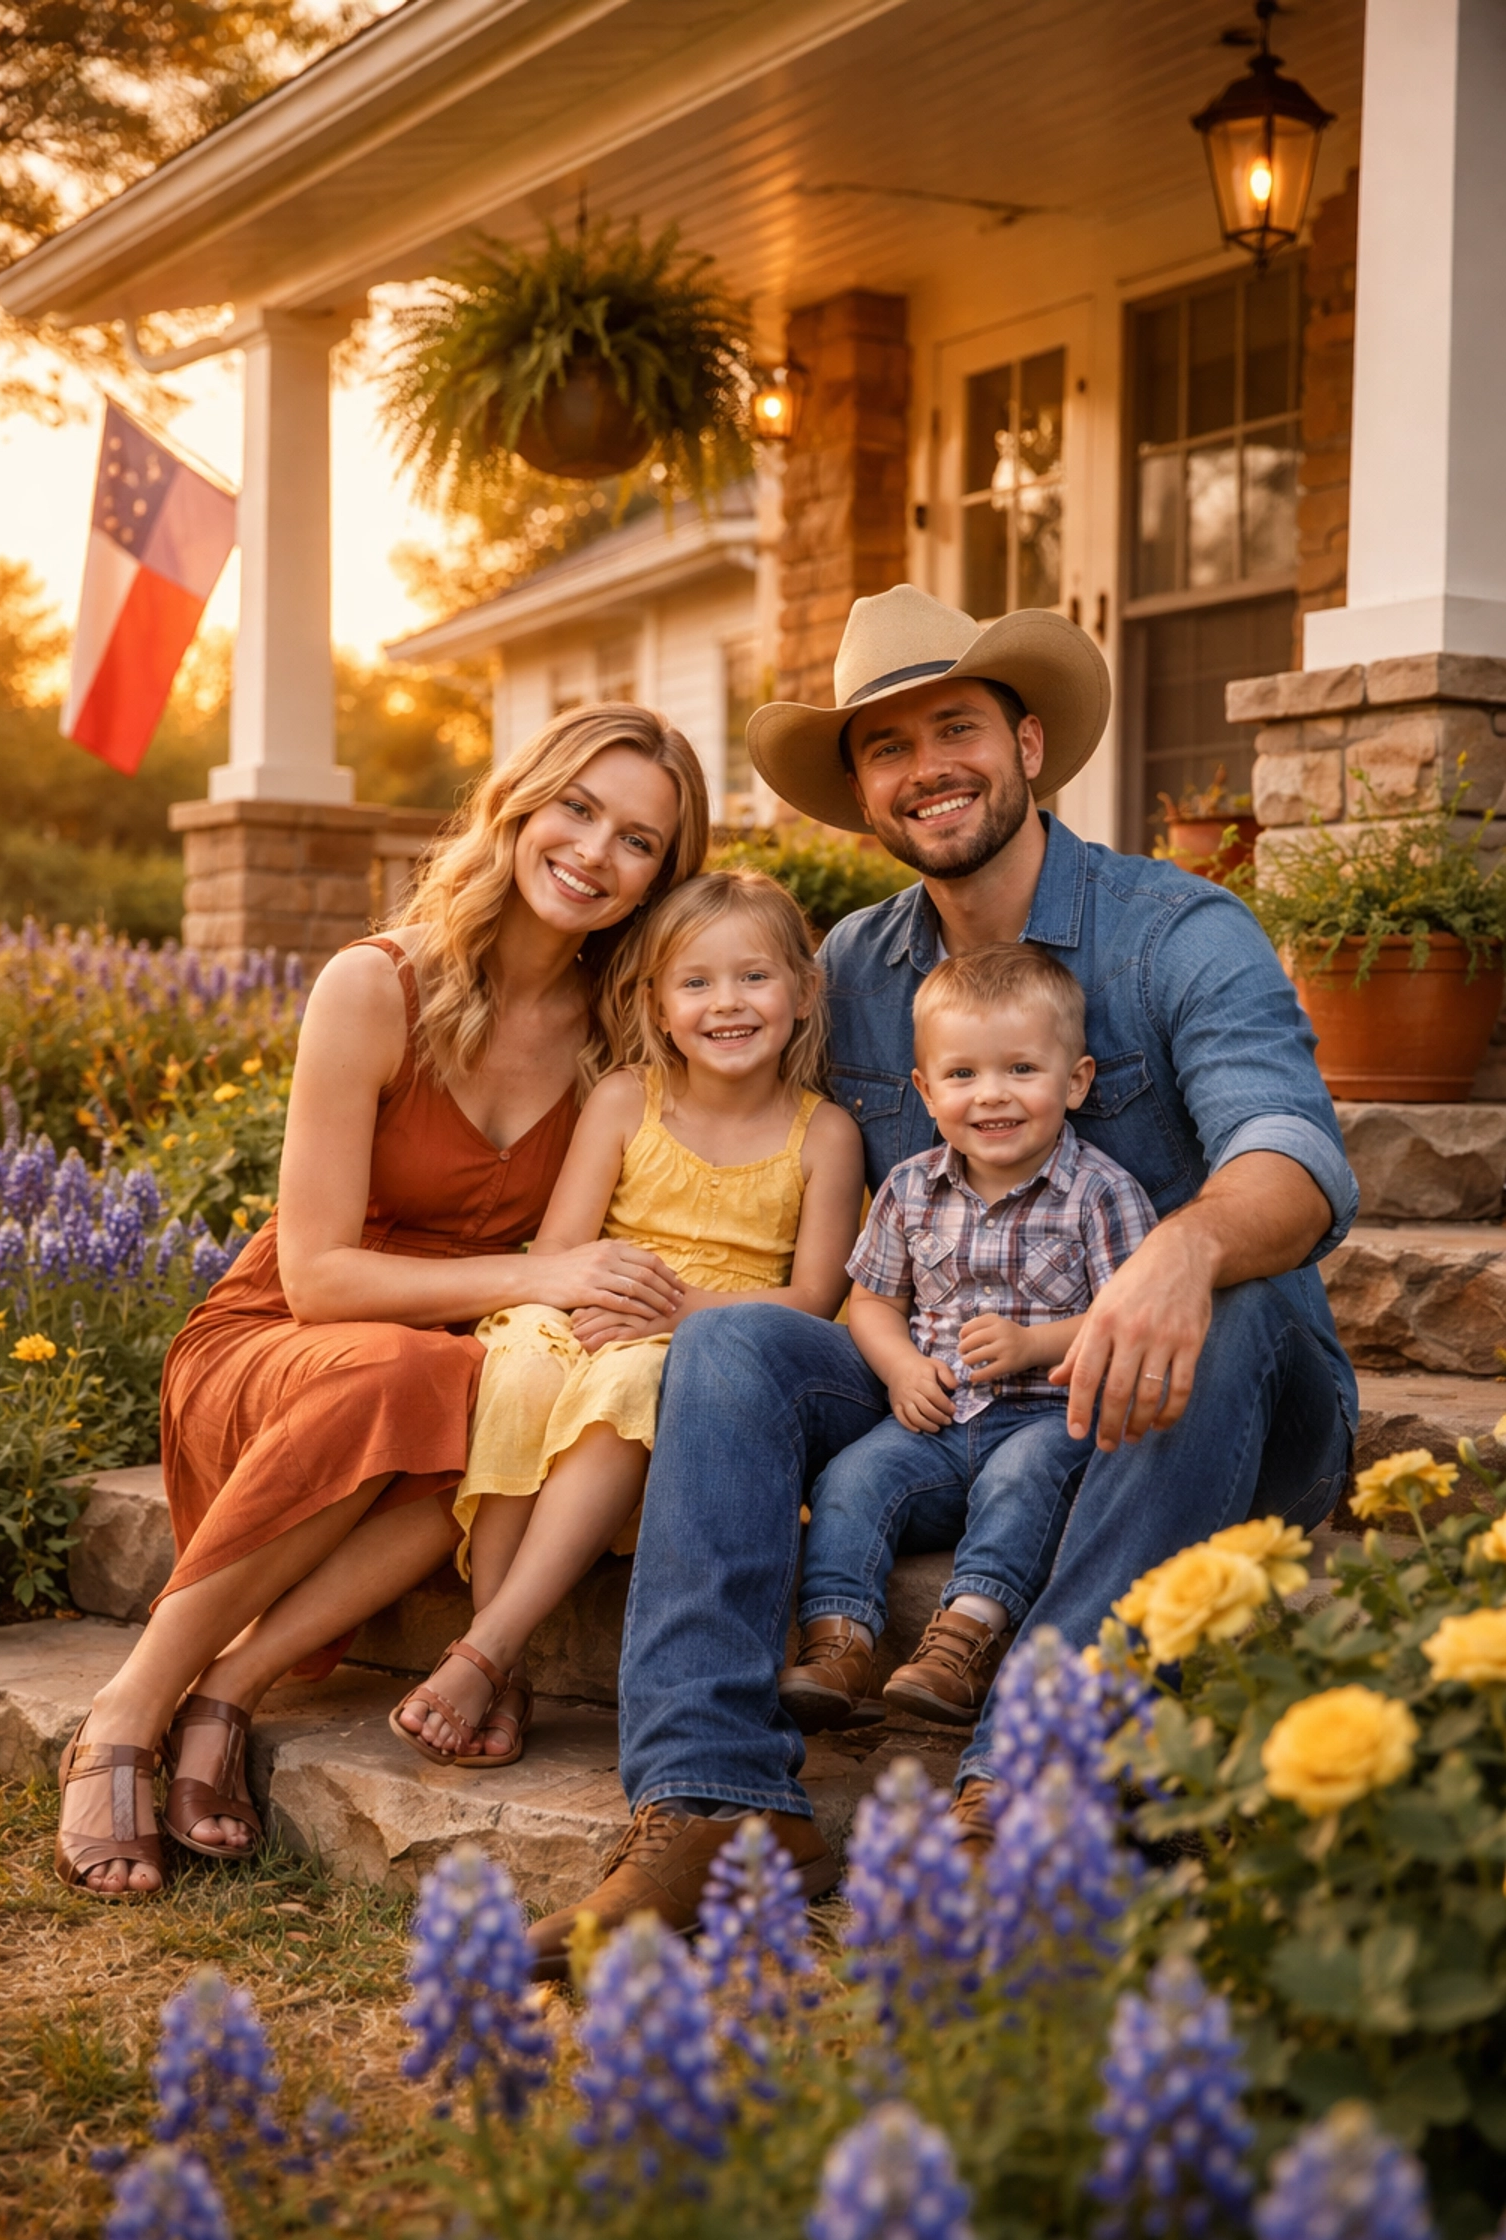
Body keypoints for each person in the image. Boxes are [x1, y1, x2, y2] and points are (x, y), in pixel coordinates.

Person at [524, 584, 1359, 1978]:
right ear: (862, 792)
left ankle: (1026, 1780)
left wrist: (1183, 1246)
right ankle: (715, 1801)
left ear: (1030, 742)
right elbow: (699, 1047)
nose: (928, 769)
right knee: (728, 1349)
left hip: (1189, 1401)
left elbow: (1297, 1155)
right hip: (949, 1389)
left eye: (955, 727)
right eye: (887, 747)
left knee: (1229, 1297)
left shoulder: (1179, 932)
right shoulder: (850, 969)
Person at [53, 702, 711, 1897]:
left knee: (482, 1400)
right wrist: (544, 1277)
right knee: (420, 1374)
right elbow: (317, 1277)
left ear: (663, 876)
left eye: (639, 841)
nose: (595, 852)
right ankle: (124, 1710)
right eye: (577, 809)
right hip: (285, 1342)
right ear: (518, 808)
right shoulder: (376, 985)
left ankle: (228, 1691)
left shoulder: (621, 1036)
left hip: (460, 1362)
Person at [389, 868, 862, 1804]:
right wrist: (592, 1303)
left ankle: (486, 1651)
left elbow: (813, 1298)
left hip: (708, 1348)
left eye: (754, 978)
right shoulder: (623, 1101)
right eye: (696, 982)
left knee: (630, 1384)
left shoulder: (824, 1133)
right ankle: (505, 1656)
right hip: (588, 1312)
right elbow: (560, 1249)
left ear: (805, 992)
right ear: (656, 1003)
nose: (726, 1003)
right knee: (519, 1364)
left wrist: (678, 1310)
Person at [778, 943, 1155, 1736]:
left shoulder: (1099, 1192)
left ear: (1076, 1081)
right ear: (925, 1088)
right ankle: (838, 1643)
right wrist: (903, 1367)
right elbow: (873, 1303)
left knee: (1024, 1477)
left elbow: (1133, 1312)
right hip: (939, 1423)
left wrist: (1033, 1345)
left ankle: (963, 1643)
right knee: (853, 1478)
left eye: (1022, 1070)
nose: (992, 1096)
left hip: (1051, 1420)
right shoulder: (911, 1188)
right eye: (962, 1075)